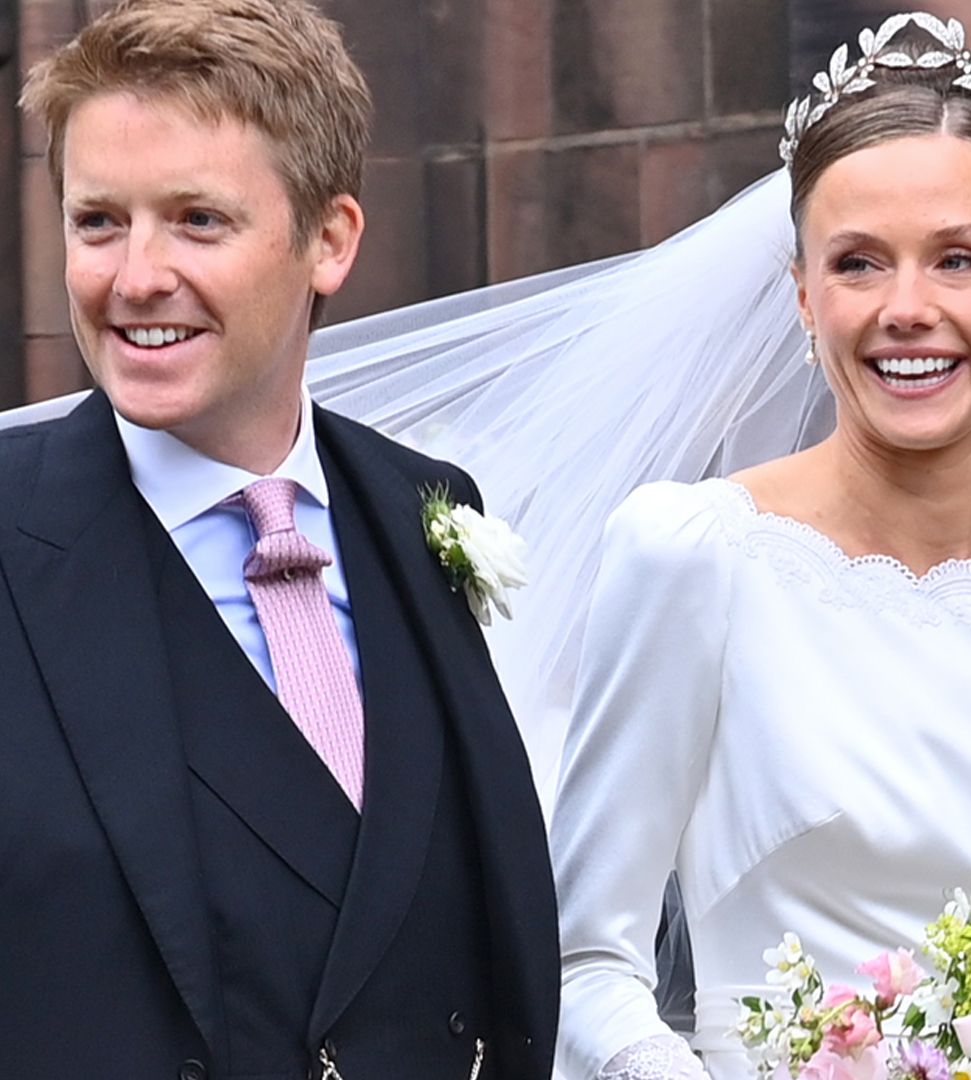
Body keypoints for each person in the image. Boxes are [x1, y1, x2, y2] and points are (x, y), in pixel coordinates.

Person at [0, 1, 559, 1076]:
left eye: (197, 220)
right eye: (98, 222)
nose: (135, 277)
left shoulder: (424, 507)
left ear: (331, 240)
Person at [544, 12, 971, 1080]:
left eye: (960, 260)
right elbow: (583, 957)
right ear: (803, 295)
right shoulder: (695, 557)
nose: (907, 309)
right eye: (859, 264)